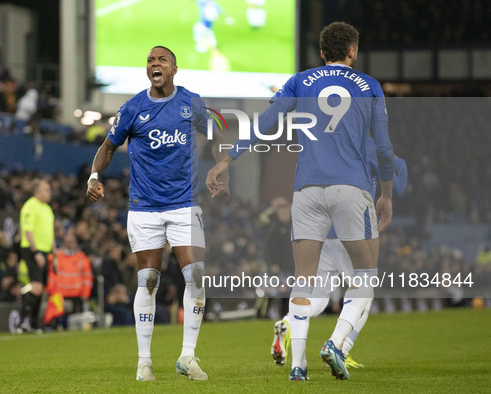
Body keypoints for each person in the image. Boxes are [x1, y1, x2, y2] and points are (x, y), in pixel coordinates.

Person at [207, 22, 394, 381]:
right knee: (365, 276)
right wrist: (385, 194)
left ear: (322, 53)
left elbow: (265, 124)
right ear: (352, 52)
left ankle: (298, 366)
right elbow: (383, 148)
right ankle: (337, 344)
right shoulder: (369, 87)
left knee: (304, 280)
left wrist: (227, 159)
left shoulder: (300, 81)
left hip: (307, 191)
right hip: (351, 189)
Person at [86, 46, 227, 381]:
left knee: (196, 275)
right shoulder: (133, 107)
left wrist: (222, 168)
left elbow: (215, 137)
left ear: (174, 69)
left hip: (184, 204)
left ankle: (187, 357)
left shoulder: (190, 102)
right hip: (145, 208)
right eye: (150, 60)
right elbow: (107, 147)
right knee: (148, 280)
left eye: (161, 60)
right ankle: (144, 362)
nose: (155, 64)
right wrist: (94, 176)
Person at [271, 146, 407, 370]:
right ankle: (341, 349)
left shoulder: (326, 148)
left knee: (319, 296)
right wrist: (399, 162)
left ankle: (286, 323)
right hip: (352, 231)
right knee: (364, 292)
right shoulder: (368, 147)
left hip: (321, 233)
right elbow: (397, 188)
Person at [17, 179, 55, 333]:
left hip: (46, 251)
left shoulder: (47, 209)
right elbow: (28, 231)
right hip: (33, 250)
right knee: (36, 287)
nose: (49, 192)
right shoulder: (30, 206)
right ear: (37, 191)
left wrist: (55, 253)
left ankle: (33, 324)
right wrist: (35, 252)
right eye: (46, 189)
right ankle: (21, 323)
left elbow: (50, 233)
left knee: (43, 288)